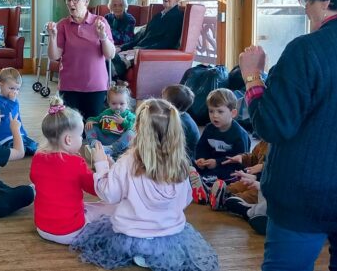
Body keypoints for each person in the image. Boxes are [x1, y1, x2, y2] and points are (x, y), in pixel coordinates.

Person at [239, 0, 337, 270]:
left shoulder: (306, 49)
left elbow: (273, 126)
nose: (305, 7)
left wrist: (252, 76)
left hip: (305, 196)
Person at [70, 99, 219, 271]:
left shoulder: (128, 161)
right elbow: (185, 200)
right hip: (169, 235)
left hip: (132, 235)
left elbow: (109, 194)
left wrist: (101, 165)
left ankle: (141, 254)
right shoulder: (181, 163)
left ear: (139, 129)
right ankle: (155, 255)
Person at [30, 97, 110, 245]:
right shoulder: (76, 163)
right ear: (68, 140)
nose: (81, 139)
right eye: (80, 135)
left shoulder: (38, 158)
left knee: (85, 206)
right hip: (70, 232)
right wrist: (102, 165)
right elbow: (98, 189)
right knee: (109, 208)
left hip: (42, 228)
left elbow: (36, 179)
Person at [46, 0, 115, 120]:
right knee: (70, 129)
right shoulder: (63, 25)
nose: (71, 3)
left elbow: (110, 54)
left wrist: (102, 36)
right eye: (68, 0)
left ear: (86, 1)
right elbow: (54, 56)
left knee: (93, 131)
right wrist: (52, 37)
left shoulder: (100, 22)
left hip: (96, 87)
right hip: (69, 87)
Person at [113, 0, 185, 81]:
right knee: (106, 57)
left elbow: (168, 43)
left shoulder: (177, 17)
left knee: (110, 64)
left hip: (146, 54)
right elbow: (141, 38)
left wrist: (140, 51)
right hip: (137, 50)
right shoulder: (158, 16)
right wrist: (121, 48)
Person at [193, 88, 250, 210]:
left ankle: (209, 189)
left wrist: (217, 163)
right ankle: (202, 186)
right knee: (190, 164)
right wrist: (201, 159)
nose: (214, 116)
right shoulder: (209, 129)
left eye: (220, 111)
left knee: (232, 175)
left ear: (233, 113)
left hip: (229, 168)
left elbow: (241, 160)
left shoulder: (239, 134)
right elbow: (201, 147)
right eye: (211, 111)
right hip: (210, 165)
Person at [0, 67, 38, 156]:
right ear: (0, 85)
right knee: (21, 149)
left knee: (34, 145)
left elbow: (17, 117)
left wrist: (22, 131)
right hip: (4, 137)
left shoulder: (14, 100)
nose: (15, 92)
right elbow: (4, 114)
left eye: (17, 89)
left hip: (17, 134)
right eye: (11, 88)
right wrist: (12, 102)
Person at [83, 82, 136, 159]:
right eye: (114, 103)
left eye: (121, 104)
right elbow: (96, 120)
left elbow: (134, 127)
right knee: (90, 125)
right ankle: (95, 145)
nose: (118, 107)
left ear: (127, 103)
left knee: (131, 133)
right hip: (104, 141)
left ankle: (112, 150)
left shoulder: (129, 115)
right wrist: (90, 121)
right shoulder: (106, 112)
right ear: (109, 103)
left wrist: (123, 122)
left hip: (120, 144)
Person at [162, 84, 199, 162]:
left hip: (185, 159)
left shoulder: (180, 123)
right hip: (179, 153)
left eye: (163, 98)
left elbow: (171, 147)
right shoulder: (182, 115)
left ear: (170, 105)